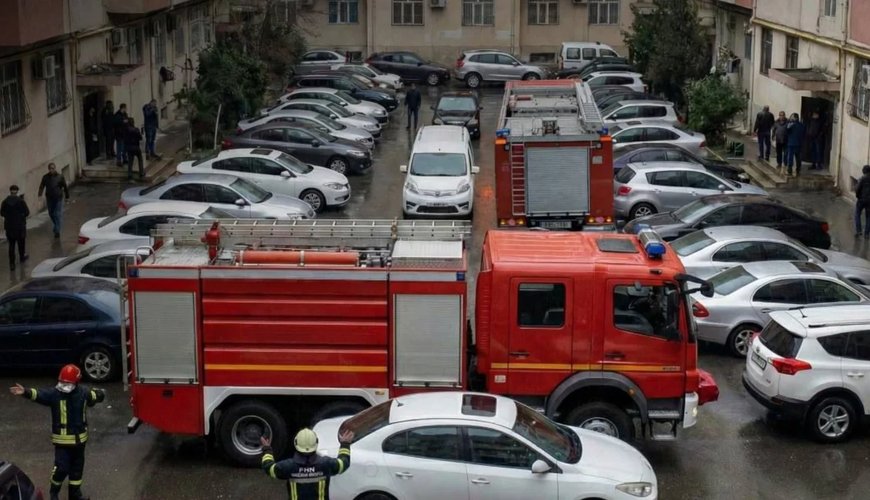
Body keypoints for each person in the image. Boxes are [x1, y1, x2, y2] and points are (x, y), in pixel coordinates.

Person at [9, 365, 105, 500]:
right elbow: (39, 394)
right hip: (62, 442)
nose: (64, 386)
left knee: (77, 471)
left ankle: (75, 495)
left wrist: (100, 394)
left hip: (80, 442)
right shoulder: (55, 394)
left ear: (76, 382)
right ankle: (54, 493)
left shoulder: (83, 393)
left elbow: (95, 396)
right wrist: (25, 391)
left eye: (67, 383)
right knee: (61, 468)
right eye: (62, 382)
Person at [260, 427, 354, 500]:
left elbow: (269, 468)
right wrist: (345, 444)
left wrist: (267, 449)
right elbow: (343, 463)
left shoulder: (288, 466)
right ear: (316, 443)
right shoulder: (326, 464)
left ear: (296, 443)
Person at [1, 184, 29, 270]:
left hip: (9, 226)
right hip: (20, 226)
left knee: (11, 245)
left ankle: (12, 264)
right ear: (17, 191)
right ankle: (22, 257)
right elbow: (27, 212)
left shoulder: (5, 202)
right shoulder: (21, 201)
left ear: (10, 191)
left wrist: (9, 216)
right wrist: (21, 216)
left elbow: (2, 213)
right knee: (21, 243)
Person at [38, 163, 69, 238]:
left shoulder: (60, 177)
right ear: (48, 169)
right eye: (50, 169)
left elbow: (65, 186)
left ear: (55, 168)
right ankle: (56, 225)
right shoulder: (45, 177)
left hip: (58, 198)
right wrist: (40, 194)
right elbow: (42, 186)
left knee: (57, 214)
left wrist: (67, 196)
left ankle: (57, 230)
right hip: (49, 198)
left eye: (53, 168)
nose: (51, 170)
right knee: (51, 213)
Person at [785, 113, 805, 177]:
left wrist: (788, 126)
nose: (791, 118)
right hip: (799, 143)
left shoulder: (791, 125)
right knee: (798, 157)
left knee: (790, 157)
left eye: (792, 117)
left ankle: (790, 169)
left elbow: (786, 131)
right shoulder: (802, 125)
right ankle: (798, 169)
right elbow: (803, 134)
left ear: (794, 118)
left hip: (791, 143)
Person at [855, 165, 870, 238]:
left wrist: (858, 196)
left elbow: (857, 189)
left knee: (857, 214)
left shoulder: (862, 178)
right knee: (868, 217)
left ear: (864, 171)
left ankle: (859, 231)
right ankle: (866, 234)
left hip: (861, 199)